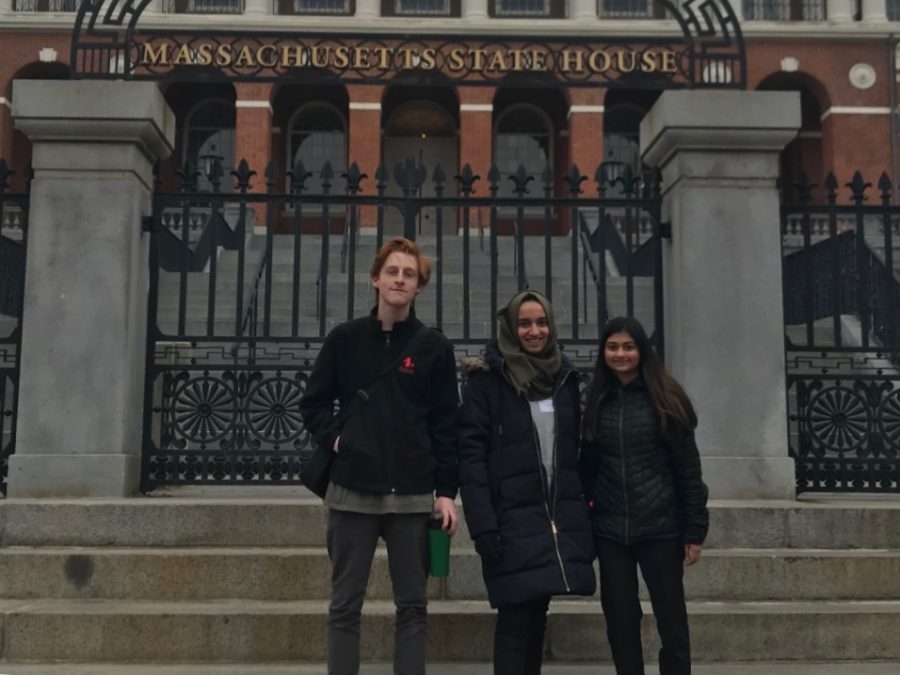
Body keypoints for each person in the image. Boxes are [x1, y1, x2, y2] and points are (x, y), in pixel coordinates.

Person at [298, 236, 459, 675]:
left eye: (409, 274)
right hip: (352, 491)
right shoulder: (345, 339)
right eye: (392, 271)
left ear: (418, 286)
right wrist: (336, 439)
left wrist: (446, 492)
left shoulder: (434, 347)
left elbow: (446, 423)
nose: (400, 280)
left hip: (410, 495)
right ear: (375, 278)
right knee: (345, 604)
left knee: (413, 605)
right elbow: (313, 403)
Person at [458, 290, 596, 675]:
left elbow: (573, 455)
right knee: (516, 619)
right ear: (510, 327)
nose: (534, 331)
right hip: (510, 518)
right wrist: (483, 525)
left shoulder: (564, 378)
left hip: (553, 516)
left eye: (541, 322)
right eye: (524, 323)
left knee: (537, 616)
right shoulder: (487, 381)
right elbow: (471, 459)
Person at [579, 316, 709, 675]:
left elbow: (687, 469)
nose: (621, 354)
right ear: (603, 351)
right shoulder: (595, 400)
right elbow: (587, 468)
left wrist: (694, 529)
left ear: (641, 351)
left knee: (671, 622)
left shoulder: (666, 399)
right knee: (620, 620)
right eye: (613, 347)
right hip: (610, 531)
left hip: (661, 528)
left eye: (628, 346)